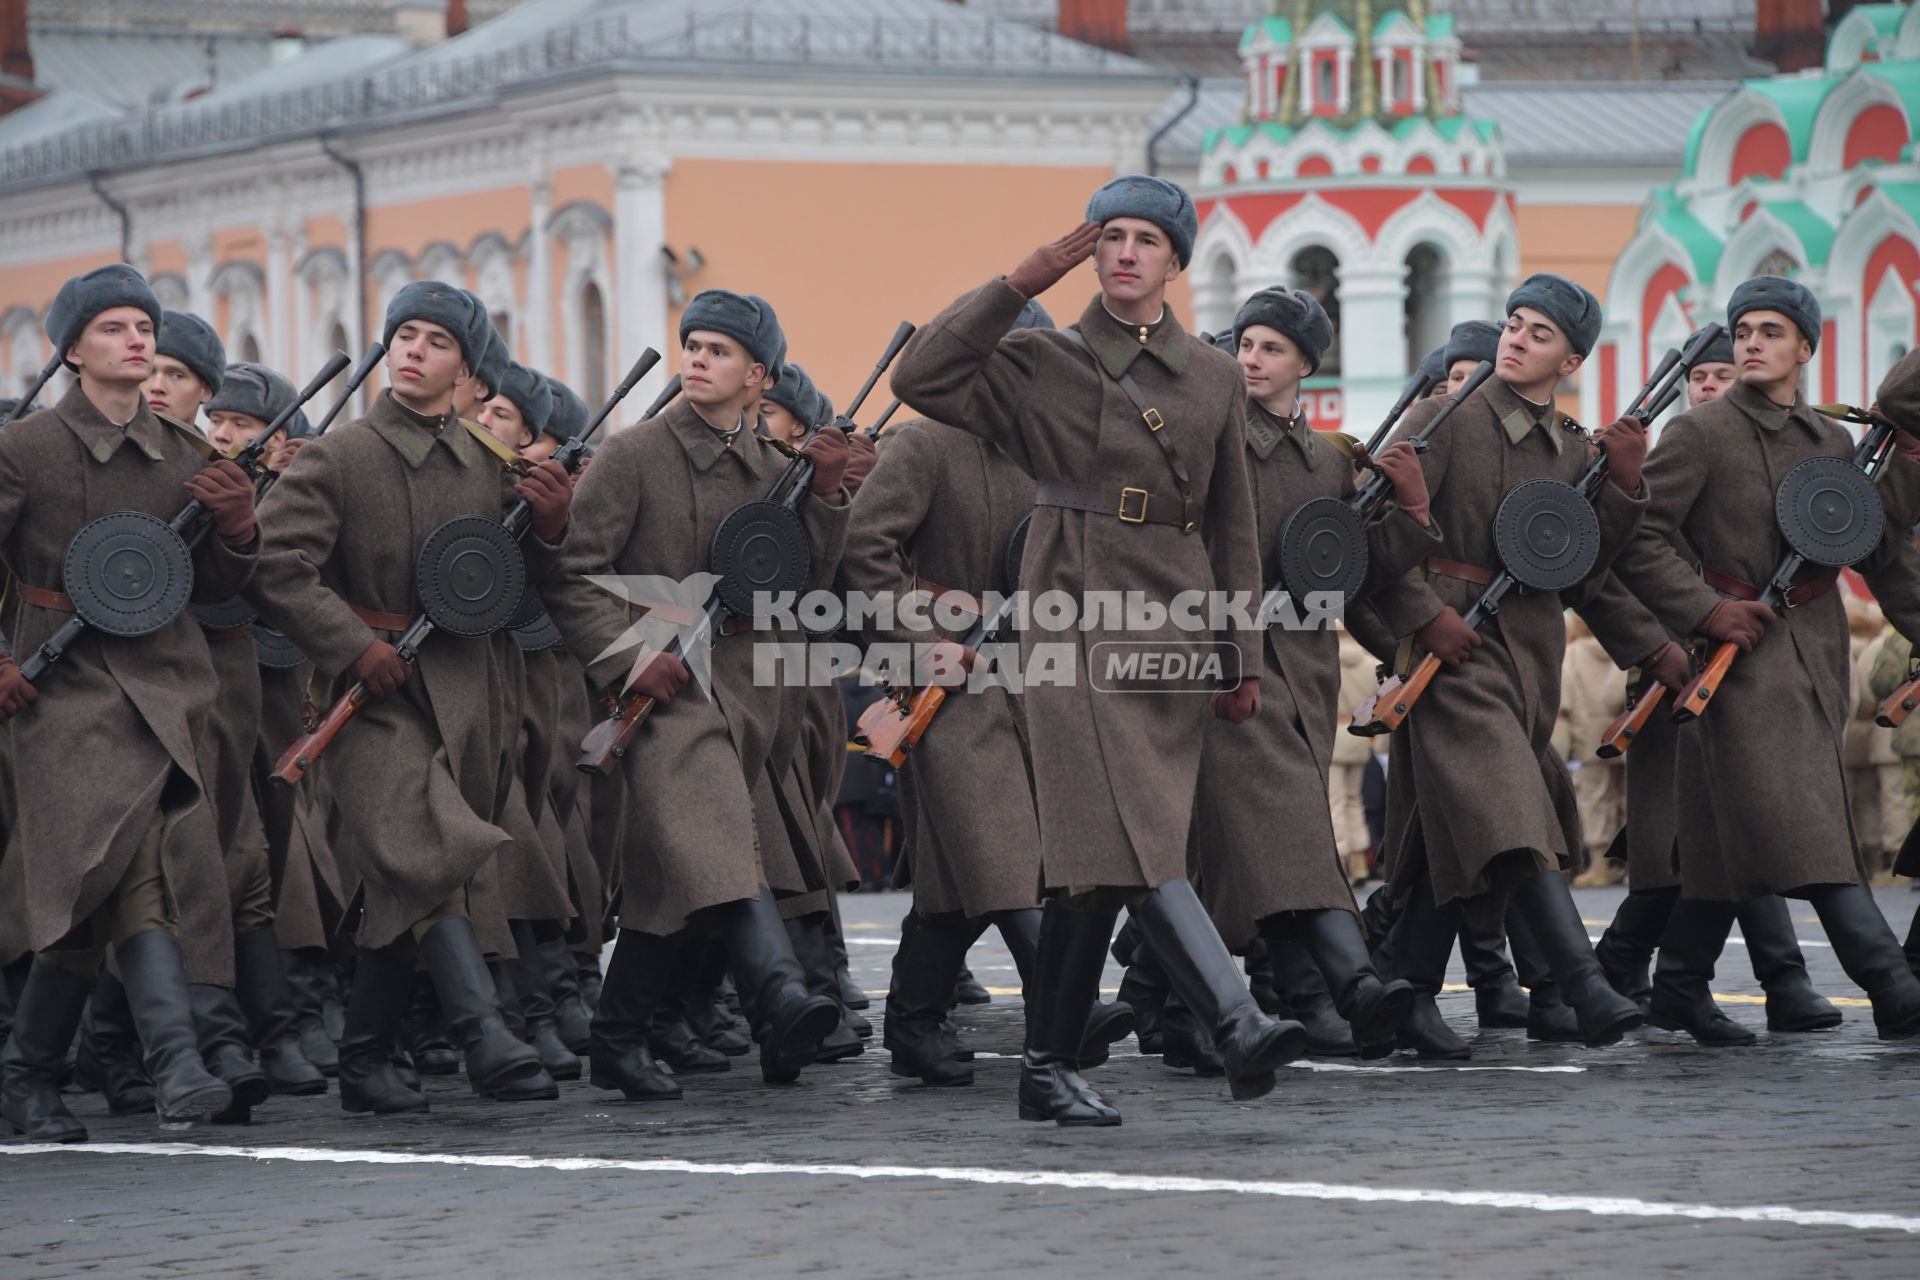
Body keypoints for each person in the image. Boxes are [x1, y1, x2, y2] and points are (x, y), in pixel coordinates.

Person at [891, 175, 1304, 1126]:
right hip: (1069, 607)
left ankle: (1045, 1068)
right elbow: (924, 379)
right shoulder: (1045, 357)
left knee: (1096, 859)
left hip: (1170, 621)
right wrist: (1014, 281)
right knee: (1129, 832)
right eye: (1108, 236)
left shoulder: (1210, 376)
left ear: (1174, 261)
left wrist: (1239, 655)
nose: (1123, 252)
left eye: (1145, 240)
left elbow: (1235, 524)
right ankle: (1236, 1021)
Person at [247, 281, 577, 1112]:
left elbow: (510, 581)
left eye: (435, 340)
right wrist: (353, 644)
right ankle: (483, 1034)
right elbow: (277, 566)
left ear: (467, 368)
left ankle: (362, 1058)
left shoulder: (486, 463)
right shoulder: (339, 455)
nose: (413, 350)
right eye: (403, 335)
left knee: (414, 870)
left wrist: (548, 528)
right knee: (433, 854)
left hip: (468, 697)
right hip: (367, 704)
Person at [540, 289, 851, 1097]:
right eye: (693, 347)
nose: (698, 361)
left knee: (675, 876)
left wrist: (823, 496)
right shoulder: (636, 453)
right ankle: (779, 994)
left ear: (760, 376)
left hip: (750, 695)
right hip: (667, 694)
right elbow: (573, 577)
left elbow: (806, 579)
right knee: (714, 846)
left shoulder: (776, 470)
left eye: (718, 352)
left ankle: (616, 1038)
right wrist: (632, 655)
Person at [1608, 277, 1920, 1040]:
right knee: (1811, 834)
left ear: (1806, 347)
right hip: (1737, 663)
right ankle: (1895, 990)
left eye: (1771, 330)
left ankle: (1677, 984)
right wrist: (1704, 609)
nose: (1751, 342)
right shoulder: (1702, 432)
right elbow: (1638, 537)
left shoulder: (1833, 440)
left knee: (1723, 844)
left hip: (1814, 655)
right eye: (1744, 329)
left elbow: (1876, 550)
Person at [841, 296, 1133, 1086]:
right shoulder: (925, 445)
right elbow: (865, 553)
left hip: (1038, 682)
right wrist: (925, 637)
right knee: (1003, 847)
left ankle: (914, 1019)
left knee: (964, 870)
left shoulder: (1062, 457)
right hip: (949, 682)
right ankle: (1065, 1002)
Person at [0, 265, 259, 1140]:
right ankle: (176, 1060)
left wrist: (237, 528)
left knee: (98, 879)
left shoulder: (188, 454)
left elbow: (219, 587)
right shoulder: (25, 447)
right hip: (60, 687)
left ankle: (29, 1073)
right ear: (73, 350)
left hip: (166, 679)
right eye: (113, 328)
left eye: (144, 326)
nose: (138, 341)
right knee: (134, 853)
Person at [1366, 273, 1651, 1059]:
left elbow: (1583, 570)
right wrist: (1426, 618)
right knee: (1514, 816)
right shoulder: (1444, 415)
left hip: (1530, 653)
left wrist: (1623, 486)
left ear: (1571, 360)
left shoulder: (1570, 446)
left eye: (1540, 333)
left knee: (1452, 831)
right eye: (1514, 324)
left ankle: (1407, 994)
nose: (1517, 339)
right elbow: (1367, 540)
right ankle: (1583, 985)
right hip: (1449, 653)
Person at [1185, 285, 1437, 1060]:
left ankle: (1175, 1002)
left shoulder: (1328, 458)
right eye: (1245, 345)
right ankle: (1350, 986)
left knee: (1243, 848)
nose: (1251, 361)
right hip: (1228, 661)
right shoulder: (1211, 440)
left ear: (1305, 365)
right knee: (1288, 830)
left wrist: (1411, 513)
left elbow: (1349, 575)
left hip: (1306, 671)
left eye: (1271, 349)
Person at [1586, 323, 1839, 1042]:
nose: (1708, 385)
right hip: (1676, 670)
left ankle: (1640, 972)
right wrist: (1655, 646)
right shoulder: (1667, 459)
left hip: (1740, 667)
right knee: (1704, 839)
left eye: (1722, 373)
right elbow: (1608, 566)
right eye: (1698, 376)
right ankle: (1633, 973)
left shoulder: (1775, 460)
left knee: (1731, 833)